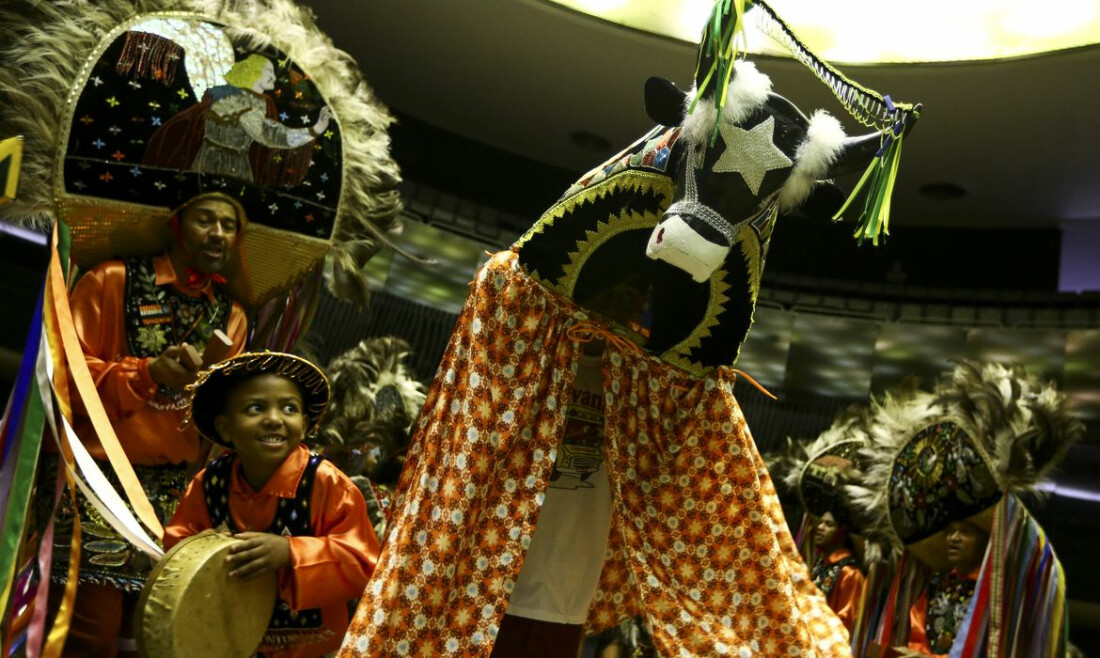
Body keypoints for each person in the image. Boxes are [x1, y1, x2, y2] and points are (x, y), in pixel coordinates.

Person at [48, 192, 249, 657]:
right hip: (98, 483)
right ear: (176, 224)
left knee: (151, 636)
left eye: (229, 224)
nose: (218, 233)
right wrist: (146, 373)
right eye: (205, 219)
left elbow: (218, 425)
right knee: (89, 634)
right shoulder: (112, 279)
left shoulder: (232, 315)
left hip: (174, 497)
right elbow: (63, 377)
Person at [164, 351, 381, 658]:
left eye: (289, 408)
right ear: (226, 428)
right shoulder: (210, 483)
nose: (274, 419)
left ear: (304, 425)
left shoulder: (327, 485)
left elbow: (364, 564)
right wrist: (211, 551)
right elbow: (177, 548)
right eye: (256, 408)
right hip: (226, 640)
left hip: (311, 649)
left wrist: (290, 552)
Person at [905, 520, 989, 657]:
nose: (954, 538)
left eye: (966, 532)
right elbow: (918, 636)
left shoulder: (990, 589)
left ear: (984, 541)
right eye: (950, 531)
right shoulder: (936, 584)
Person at [810, 508, 866, 633]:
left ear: (842, 533)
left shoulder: (851, 574)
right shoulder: (820, 564)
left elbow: (844, 624)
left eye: (828, 524)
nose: (820, 527)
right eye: (821, 522)